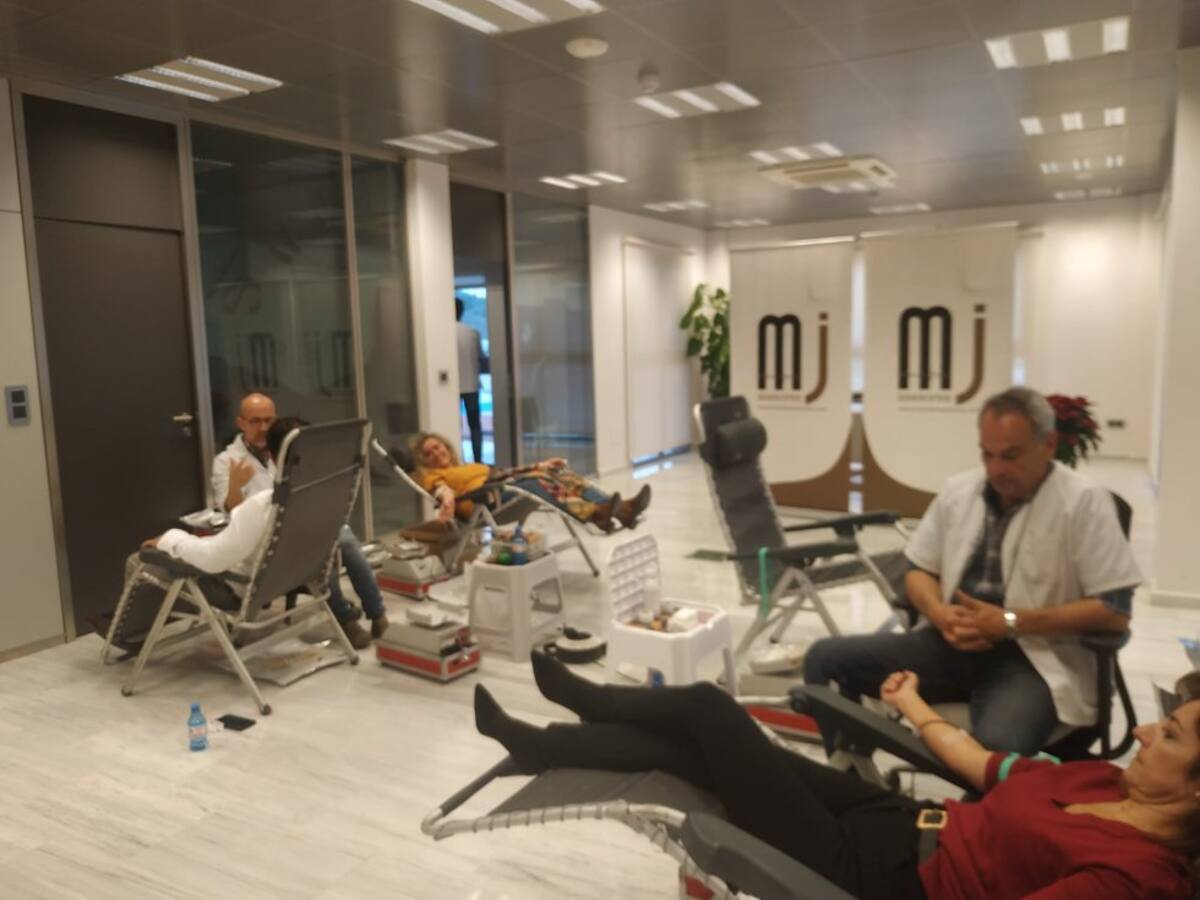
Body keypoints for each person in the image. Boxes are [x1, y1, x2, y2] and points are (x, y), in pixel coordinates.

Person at [471, 652, 1196, 899]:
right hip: (897, 821)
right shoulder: (1098, 779)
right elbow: (975, 760)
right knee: (702, 751)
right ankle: (544, 746)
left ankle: (585, 707)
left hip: (879, 879)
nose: (1143, 730)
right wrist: (911, 705)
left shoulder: (1132, 878)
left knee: (707, 711)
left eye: (1168, 734)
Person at [803, 386, 1140, 754]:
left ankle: (981, 793)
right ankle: (849, 776)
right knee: (824, 660)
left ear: (1048, 444)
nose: (996, 469)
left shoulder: (1084, 502)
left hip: (1030, 658)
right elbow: (918, 570)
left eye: (1011, 456)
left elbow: (1113, 611)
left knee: (995, 750)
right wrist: (939, 613)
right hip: (946, 643)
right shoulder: (959, 492)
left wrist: (1009, 622)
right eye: (987, 454)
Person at [211, 399, 388, 648]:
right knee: (321, 550)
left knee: (342, 539)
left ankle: (378, 614)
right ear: (240, 423)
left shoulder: (288, 449)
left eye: (268, 420)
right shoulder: (226, 460)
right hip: (263, 542)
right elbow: (233, 512)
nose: (263, 427)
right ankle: (346, 619)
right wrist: (235, 485)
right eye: (255, 421)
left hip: (298, 530)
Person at [411, 431, 650, 533]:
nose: (436, 454)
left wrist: (540, 464)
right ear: (424, 460)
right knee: (537, 481)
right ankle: (595, 513)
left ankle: (618, 509)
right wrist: (447, 497)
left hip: (504, 487)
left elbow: (502, 472)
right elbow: (439, 489)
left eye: (437, 447)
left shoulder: (467, 466)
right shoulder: (433, 475)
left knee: (556, 470)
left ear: (446, 446)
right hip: (488, 502)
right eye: (428, 453)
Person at [456, 298, 488, 464]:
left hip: (450, 388)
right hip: (471, 386)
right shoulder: (472, 332)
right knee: (475, 426)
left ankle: (458, 460)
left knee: (455, 426)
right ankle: (478, 461)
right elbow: (481, 356)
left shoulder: (442, 332)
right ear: (462, 312)